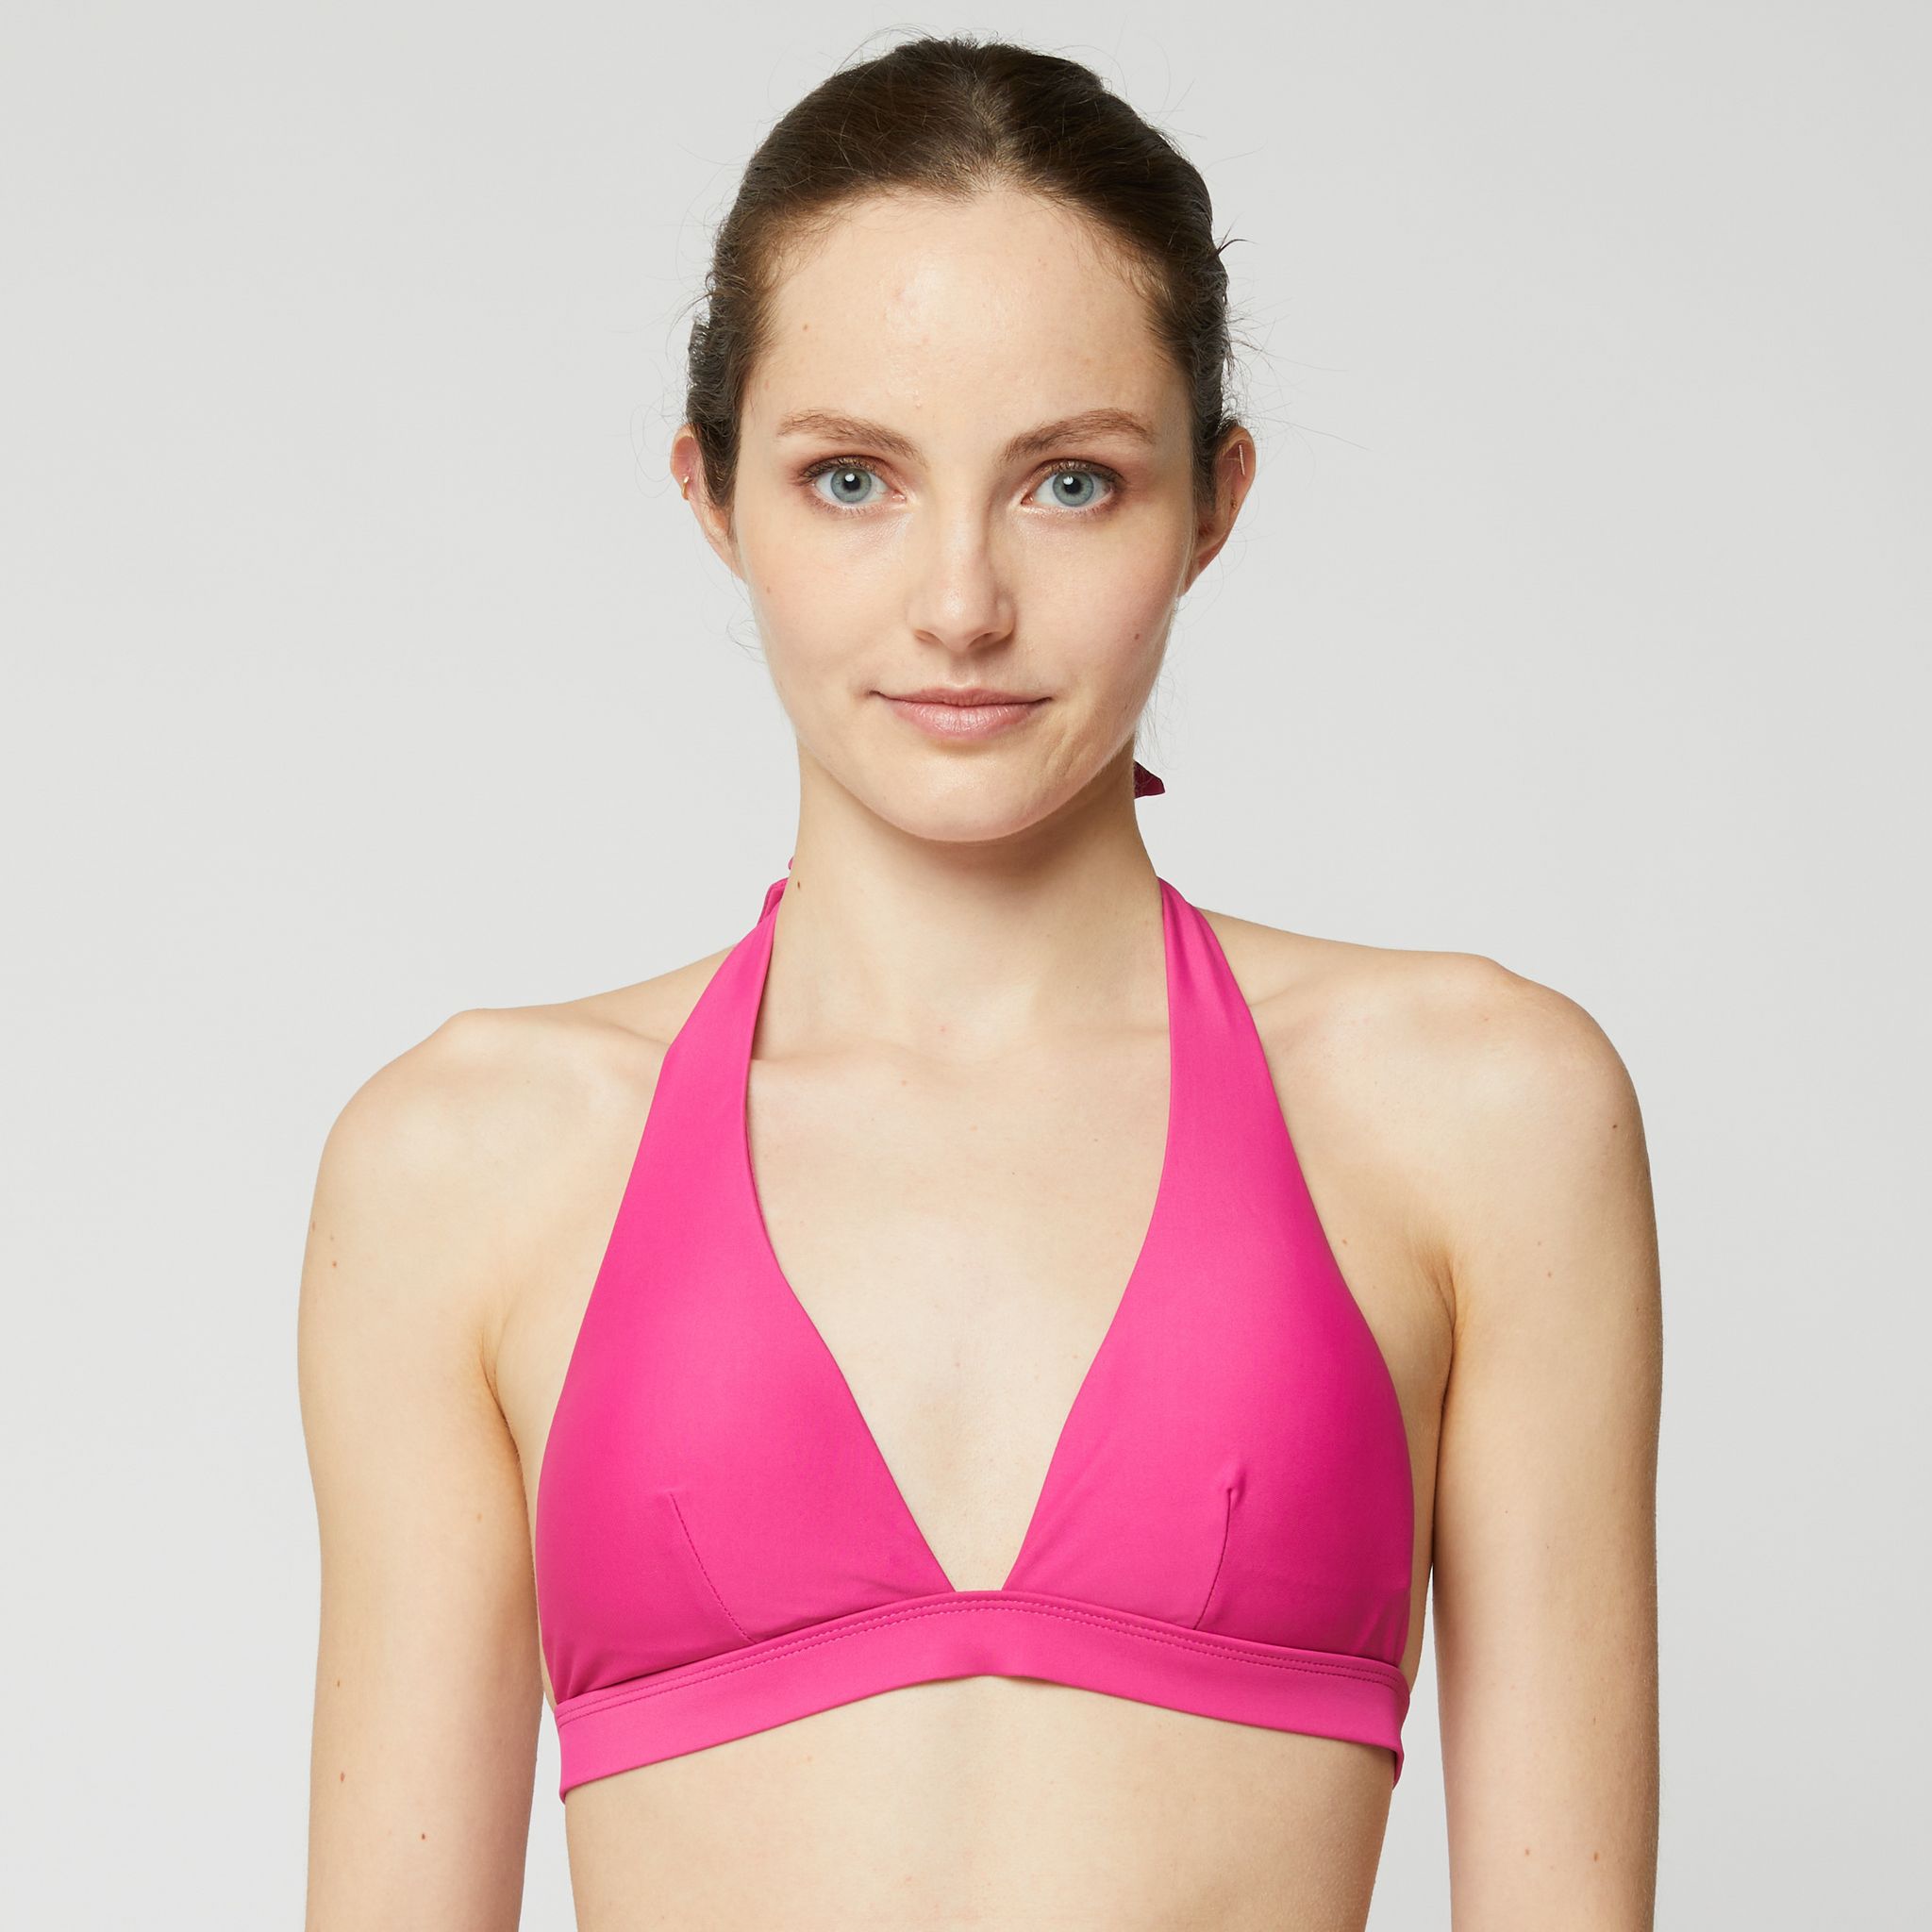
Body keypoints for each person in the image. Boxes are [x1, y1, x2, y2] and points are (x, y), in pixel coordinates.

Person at [299, 33, 1661, 1931]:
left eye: (1070, 483)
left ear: (1213, 500)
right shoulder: (470, 1160)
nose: (959, 603)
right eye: (851, 477)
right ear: (712, 494)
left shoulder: (1477, 1112)